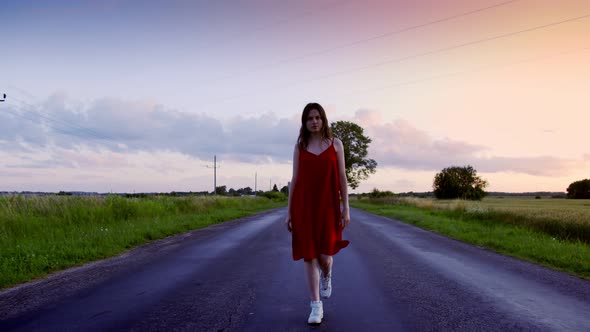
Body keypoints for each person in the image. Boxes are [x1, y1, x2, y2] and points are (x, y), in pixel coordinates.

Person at [285, 102, 350, 325]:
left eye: (318, 117)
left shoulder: (336, 145)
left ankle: (327, 274)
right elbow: (295, 180)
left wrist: (346, 208)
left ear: (323, 120)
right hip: (304, 206)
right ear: (304, 122)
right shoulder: (299, 146)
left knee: (325, 256)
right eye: (310, 118)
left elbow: (342, 177)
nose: (314, 121)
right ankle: (315, 306)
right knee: (309, 255)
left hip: (329, 206)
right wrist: (289, 212)